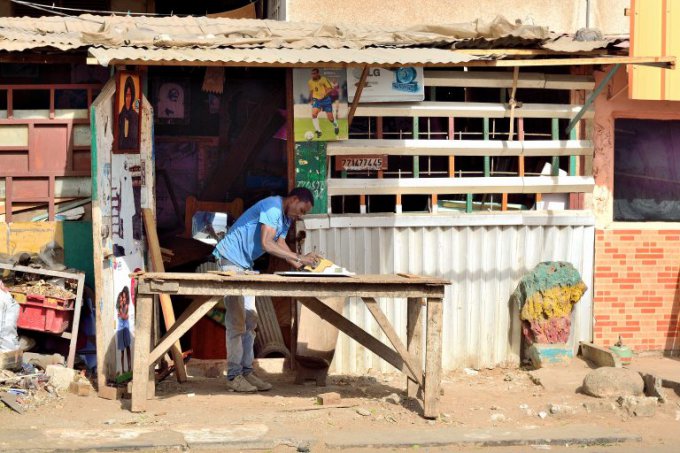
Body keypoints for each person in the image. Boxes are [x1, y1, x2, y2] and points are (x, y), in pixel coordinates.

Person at [213, 188, 320, 392]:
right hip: (230, 261)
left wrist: (301, 263)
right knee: (237, 321)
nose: (301, 215)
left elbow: (279, 242)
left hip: (244, 265)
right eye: (302, 210)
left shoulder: (286, 217)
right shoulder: (272, 207)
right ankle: (234, 376)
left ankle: (246, 372)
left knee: (250, 321)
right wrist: (299, 258)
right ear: (294, 199)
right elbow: (266, 243)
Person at [307, 68, 339, 138]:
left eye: (315, 73)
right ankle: (319, 131)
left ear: (318, 73)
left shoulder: (323, 79)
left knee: (330, 119)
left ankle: (336, 125)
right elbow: (312, 91)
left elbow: (330, 88)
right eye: (312, 74)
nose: (313, 75)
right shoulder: (310, 82)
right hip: (317, 100)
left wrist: (324, 94)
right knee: (314, 114)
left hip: (326, 100)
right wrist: (311, 99)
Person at [118, 76, 139, 150]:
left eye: (130, 95)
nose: (128, 99)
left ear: (132, 96)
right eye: (126, 95)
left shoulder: (135, 116)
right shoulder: (120, 116)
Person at [116, 286, 132, 374]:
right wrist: (122, 315)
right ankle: (122, 370)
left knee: (128, 347)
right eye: (122, 297)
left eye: (125, 297)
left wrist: (122, 315)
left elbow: (124, 316)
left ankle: (129, 368)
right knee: (122, 350)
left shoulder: (126, 306)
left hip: (125, 328)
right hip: (120, 328)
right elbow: (123, 316)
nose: (123, 299)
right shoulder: (120, 306)